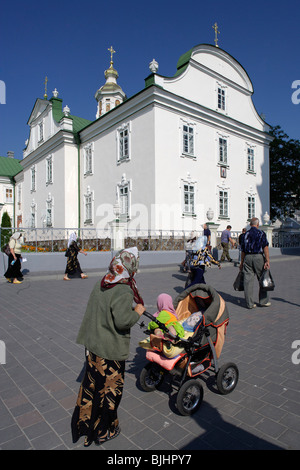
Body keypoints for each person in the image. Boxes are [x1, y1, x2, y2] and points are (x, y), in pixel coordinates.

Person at [71, 247, 145, 447]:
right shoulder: (123, 289)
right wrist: (137, 312)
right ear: (131, 266)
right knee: (111, 391)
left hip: (92, 346)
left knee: (91, 387)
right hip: (109, 352)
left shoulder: (103, 282)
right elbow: (122, 321)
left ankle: (85, 426)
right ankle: (105, 430)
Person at [239, 217, 271, 309]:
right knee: (262, 277)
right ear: (258, 224)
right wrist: (267, 260)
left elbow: (243, 250)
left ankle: (250, 303)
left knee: (248, 281)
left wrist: (242, 262)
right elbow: (265, 247)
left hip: (248, 257)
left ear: (250, 224)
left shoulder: (245, 234)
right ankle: (263, 301)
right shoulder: (261, 233)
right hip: (258, 257)